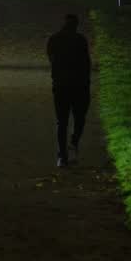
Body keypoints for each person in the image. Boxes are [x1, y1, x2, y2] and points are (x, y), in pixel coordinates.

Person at [46, 14, 91, 167]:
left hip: (61, 86)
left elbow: (51, 60)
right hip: (79, 86)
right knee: (79, 118)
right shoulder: (80, 40)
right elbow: (86, 64)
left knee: (62, 121)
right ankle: (73, 143)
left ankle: (62, 156)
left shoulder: (54, 40)